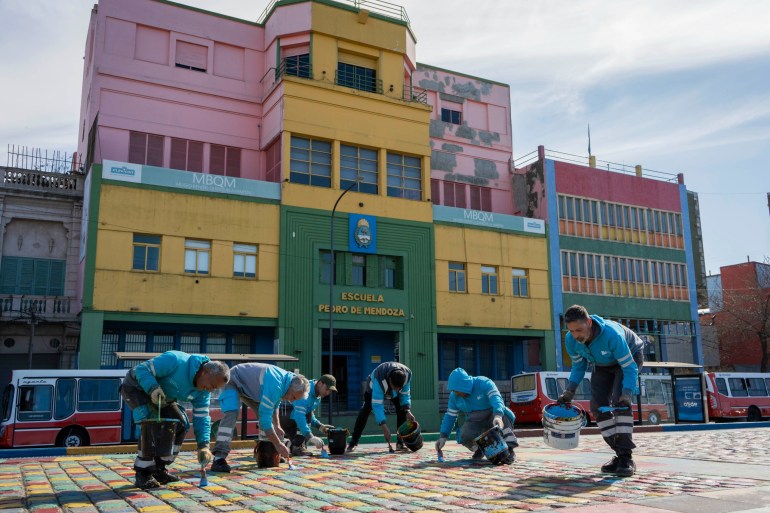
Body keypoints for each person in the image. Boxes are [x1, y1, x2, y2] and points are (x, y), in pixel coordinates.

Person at [119, 350, 230, 489]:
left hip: (164, 397)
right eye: (212, 385)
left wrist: (203, 446)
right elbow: (142, 369)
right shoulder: (175, 360)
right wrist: (153, 388)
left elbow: (201, 418)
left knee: (180, 424)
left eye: (215, 389)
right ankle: (143, 473)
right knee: (150, 424)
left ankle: (159, 468)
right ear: (205, 371)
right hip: (136, 387)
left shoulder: (202, 393)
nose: (210, 391)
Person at [557, 304, 644, 477]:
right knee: (597, 407)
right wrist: (570, 391)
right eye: (572, 331)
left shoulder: (612, 335)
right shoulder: (571, 340)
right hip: (602, 364)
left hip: (629, 358)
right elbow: (579, 365)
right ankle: (620, 454)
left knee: (620, 405)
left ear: (589, 322)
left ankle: (626, 459)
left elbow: (629, 368)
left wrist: (626, 394)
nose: (576, 336)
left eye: (579, 330)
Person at [210, 363, 310, 472]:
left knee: (268, 419)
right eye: (293, 397)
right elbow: (265, 421)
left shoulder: (286, 383)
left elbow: (274, 405)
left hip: (250, 389)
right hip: (233, 380)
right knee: (232, 413)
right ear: (291, 386)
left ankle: (269, 454)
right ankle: (219, 458)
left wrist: (277, 425)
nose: (291, 401)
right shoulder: (275, 385)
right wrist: (278, 444)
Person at [435, 368, 517, 464]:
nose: (455, 393)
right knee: (463, 434)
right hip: (475, 421)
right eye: (454, 390)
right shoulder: (455, 396)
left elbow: (496, 399)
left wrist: (498, 415)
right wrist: (443, 437)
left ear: (464, 385)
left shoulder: (483, 383)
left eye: (457, 390)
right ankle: (480, 449)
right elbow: (450, 416)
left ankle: (509, 449)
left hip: (494, 416)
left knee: (504, 418)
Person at [347, 361, 415, 452]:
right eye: (395, 387)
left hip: (392, 392)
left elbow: (405, 394)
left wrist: (407, 410)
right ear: (390, 381)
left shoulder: (407, 375)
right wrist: (384, 426)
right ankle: (353, 442)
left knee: (402, 409)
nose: (398, 390)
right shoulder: (379, 379)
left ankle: (400, 442)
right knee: (365, 410)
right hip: (373, 389)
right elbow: (377, 405)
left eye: (400, 387)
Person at [280, 374, 337, 456]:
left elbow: (308, 414)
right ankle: (297, 447)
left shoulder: (317, 397)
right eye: (327, 389)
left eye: (330, 391)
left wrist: (320, 426)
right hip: (283, 416)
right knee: (306, 417)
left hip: (291, 418)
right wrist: (310, 436)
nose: (328, 393)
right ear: (320, 383)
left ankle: (294, 446)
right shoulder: (306, 390)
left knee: (294, 445)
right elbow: (300, 415)